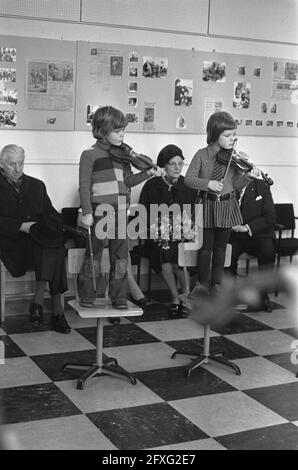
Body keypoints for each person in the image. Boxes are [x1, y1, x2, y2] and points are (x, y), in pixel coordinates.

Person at [78, 106, 158, 322]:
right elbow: (84, 187)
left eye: (123, 131)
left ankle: (119, 296)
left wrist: (147, 174)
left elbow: (128, 182)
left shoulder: (122, 156)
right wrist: (86, 212)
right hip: (98, 212)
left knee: (120, 257)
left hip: (121, 212)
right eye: (117, 131)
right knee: (93, 254)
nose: (122, 135)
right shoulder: (89, 155)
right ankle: (87, 294)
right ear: (102, 131)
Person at [184, 111, 259, 297]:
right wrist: (207, 183)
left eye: (234, 135)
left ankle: (217, 284)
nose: (232, 139)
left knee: (220, 250)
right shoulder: (202, 155)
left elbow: (235, 185)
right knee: (205, 249)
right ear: (214, 134)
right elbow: (188, 179)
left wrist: (248, 177)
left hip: (227, 206)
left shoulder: (234, 159)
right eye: (227, 135)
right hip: (208, 205)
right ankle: (202, 285)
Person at [0, 144, 70, 333]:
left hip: (38, 238)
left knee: (52, 245)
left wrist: (48, 224)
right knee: (54, 248)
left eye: (21, 163)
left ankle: (40, 304)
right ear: (2, 164)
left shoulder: (37, 185)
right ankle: (56, 310)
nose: (18, 169)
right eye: (12, 164)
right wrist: (20, 226)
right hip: (12, 243)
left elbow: (51, 214)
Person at [139, 144, 197, 316]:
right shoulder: (151, 186)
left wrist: (183, 228)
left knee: (180, 253)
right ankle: (175, 297)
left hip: (182, 234)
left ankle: (186, 296)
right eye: (173, 163)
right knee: (164, 252)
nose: (178, 167)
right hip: (158, 234)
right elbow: (143, 214)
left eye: (181, 163)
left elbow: (192, 215)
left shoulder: (188, 186)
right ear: (164, 165)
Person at [227, 178, 276, 312]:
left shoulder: (261, 186)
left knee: (268, 250)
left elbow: (271, 216)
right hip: (235, 234)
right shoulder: (228, 184)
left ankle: (262, 295)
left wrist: (247, 227)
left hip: (259, 233)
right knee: (228, 253)